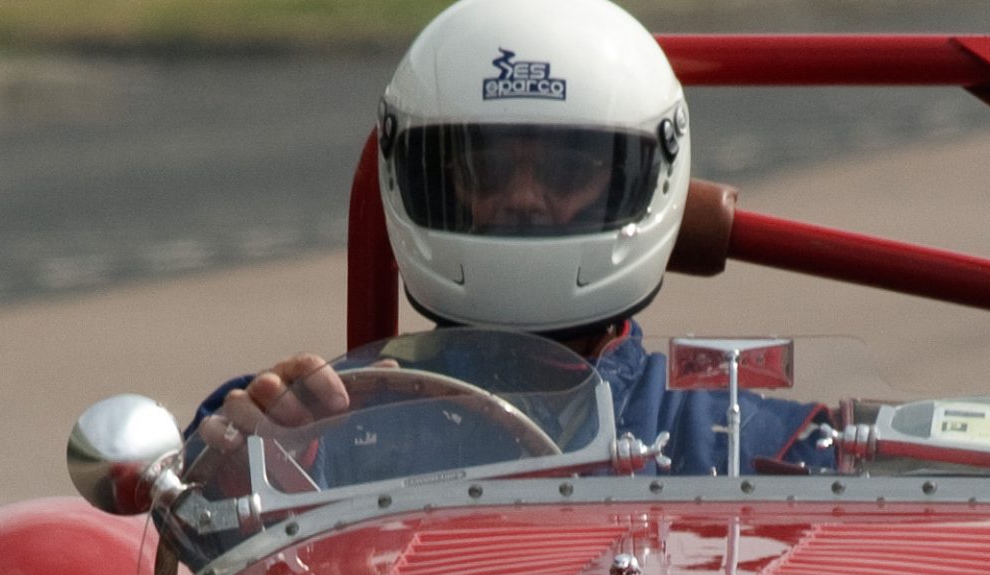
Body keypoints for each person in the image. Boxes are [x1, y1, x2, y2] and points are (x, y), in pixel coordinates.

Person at [191, 0, 832, 480]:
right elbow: (185, 521)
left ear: (646, 178)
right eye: (486, 169)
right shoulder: (331, 423)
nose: (523, 199)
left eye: (568, 170)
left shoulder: (745, 438)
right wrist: (249, 460)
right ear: (421, 174)